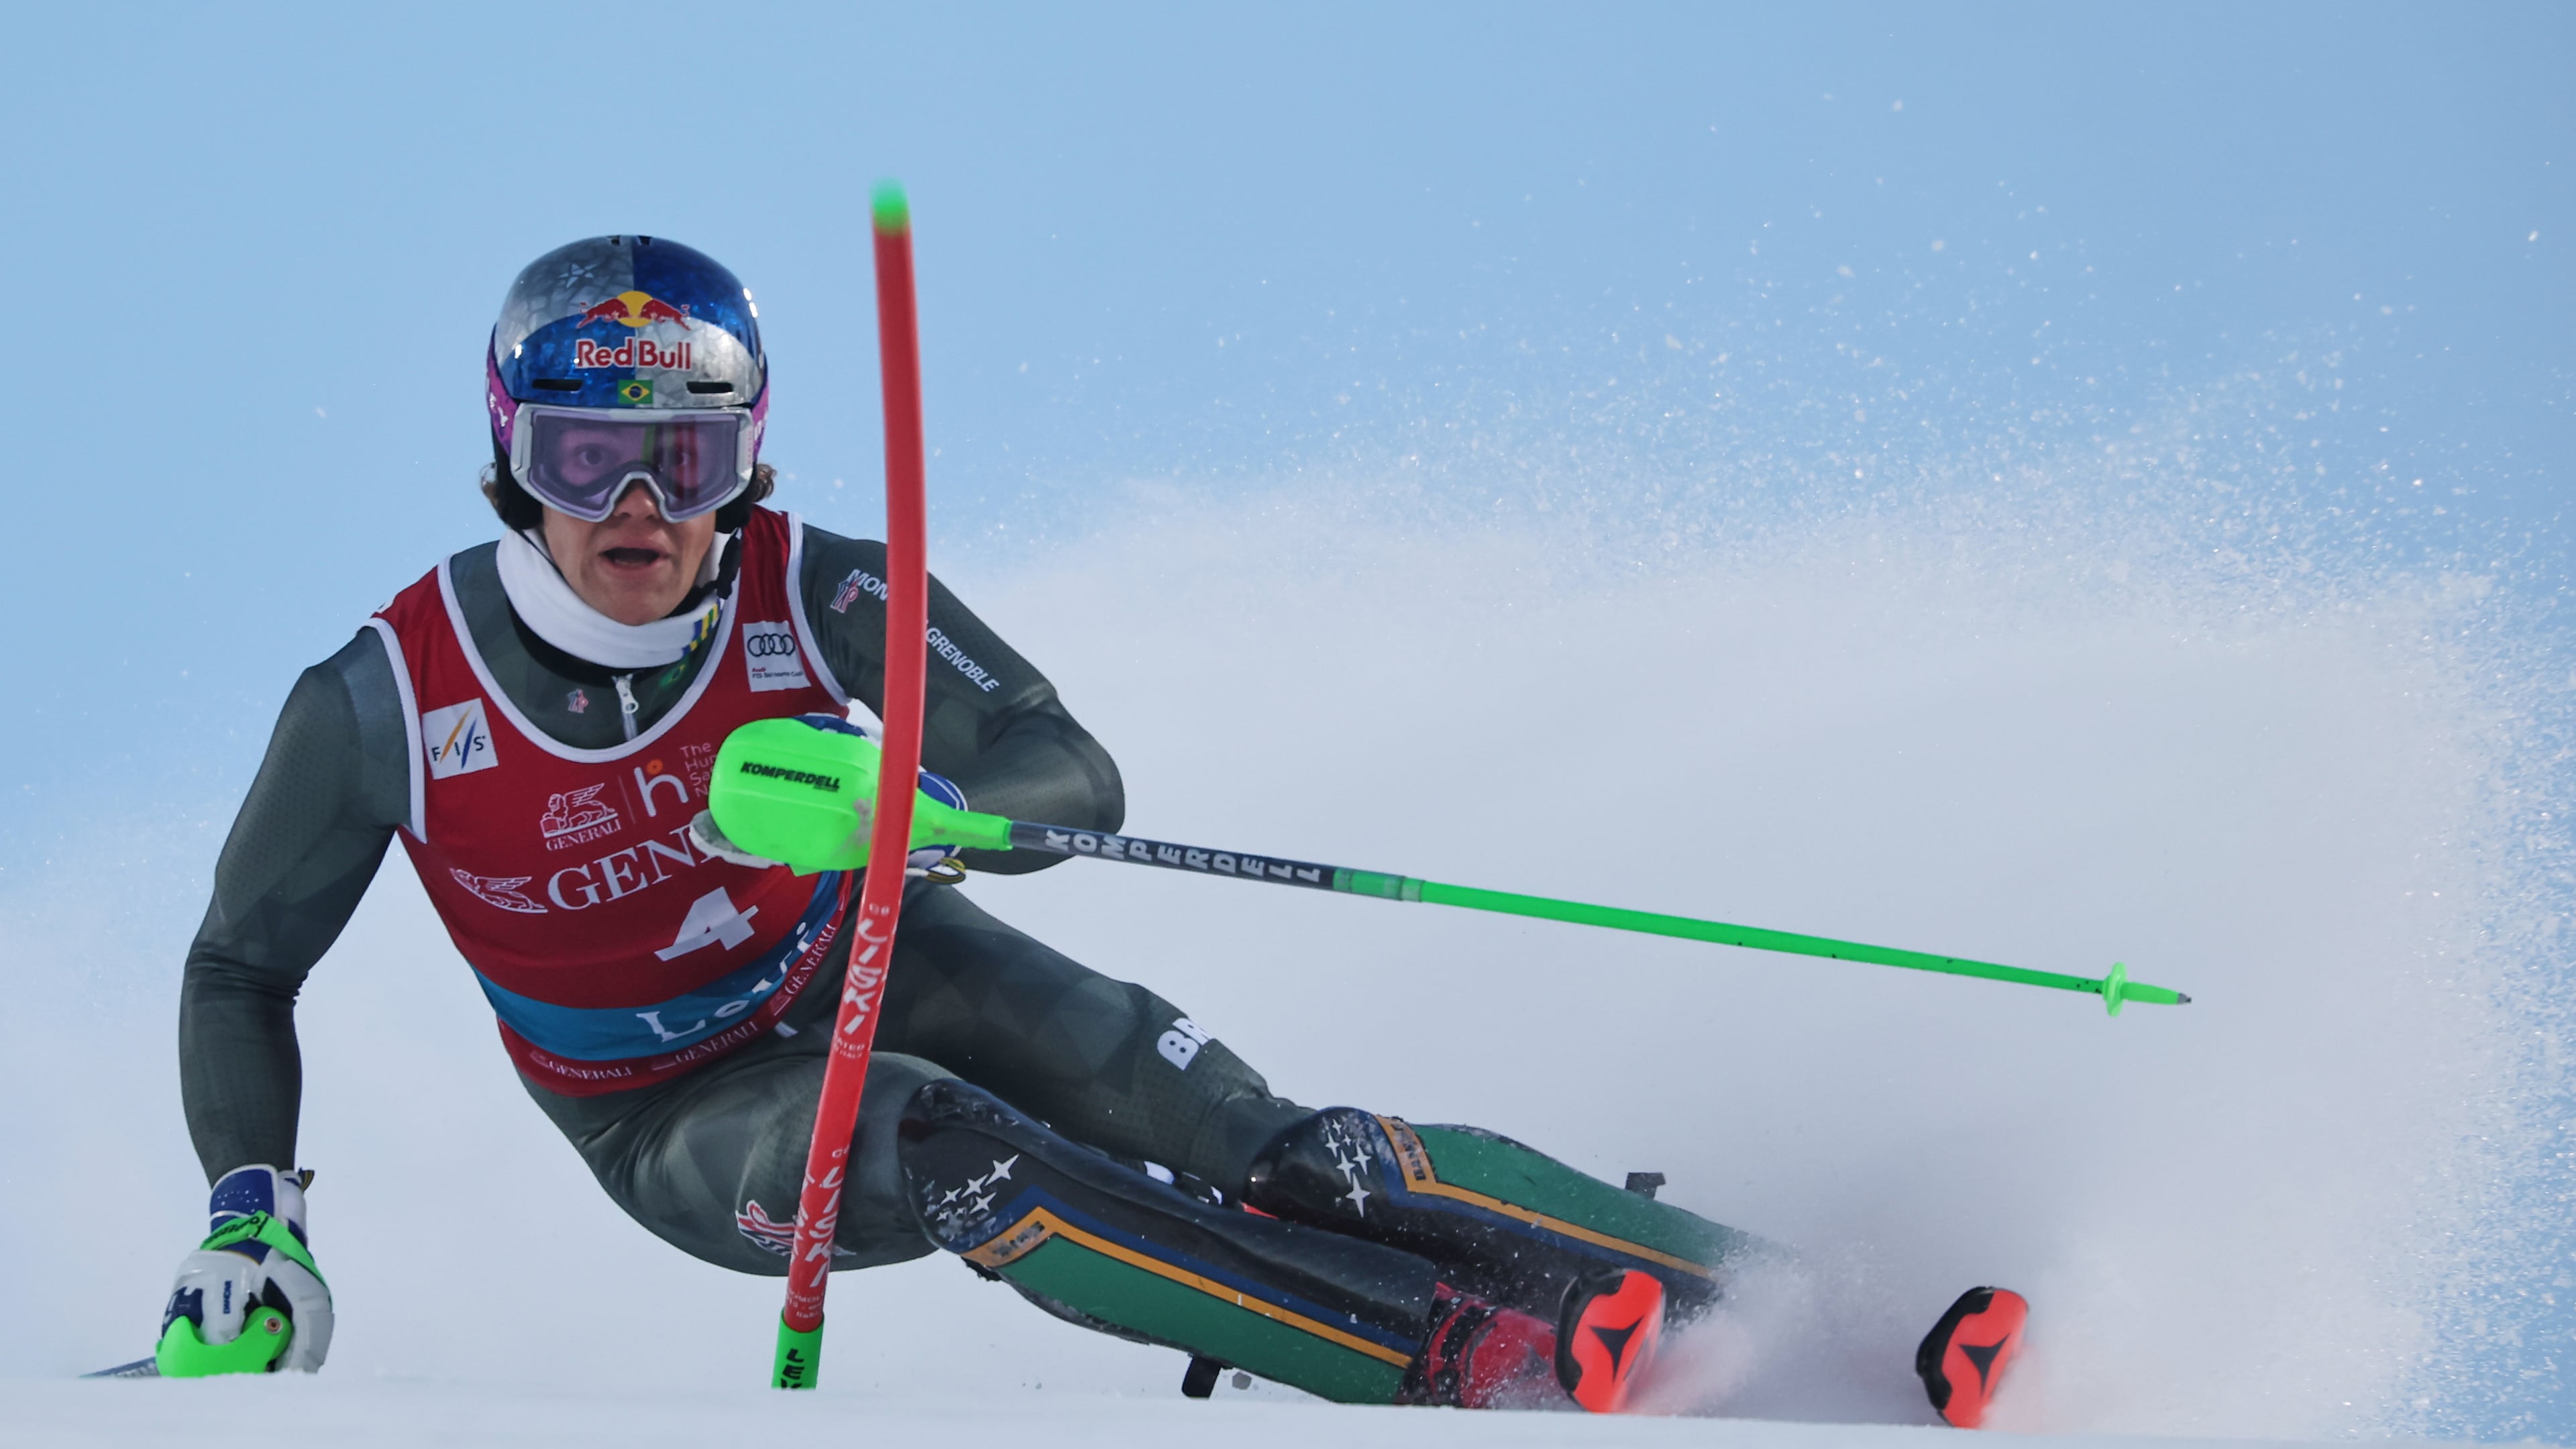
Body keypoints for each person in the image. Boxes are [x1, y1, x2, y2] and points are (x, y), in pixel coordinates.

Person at [160, 234, 2019, 1418]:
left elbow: (1069, 774)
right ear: (514, 455)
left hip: (891, 949)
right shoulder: (385, 701)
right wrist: (256, 1212)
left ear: (750, 462)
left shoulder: (825, 592)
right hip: (673, 1107)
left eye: (693, 458)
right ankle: (1474, 1365)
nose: (640, 505)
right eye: (587, 456)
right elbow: (244, 964)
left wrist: (923, 820)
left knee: (1278, 1143)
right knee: (979, 1161)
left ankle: (1804, 1310)